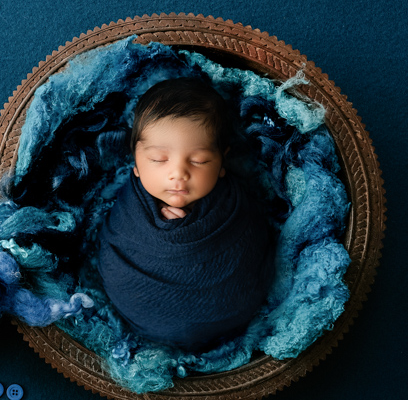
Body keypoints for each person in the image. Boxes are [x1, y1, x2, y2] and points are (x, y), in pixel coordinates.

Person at [96, 77, 275, 353]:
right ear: (136, 162)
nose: (178, 173)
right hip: (143, 308)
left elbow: (255, 240)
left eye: (199, 161)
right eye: (158, 159)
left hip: (227, 309)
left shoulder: (235, 204)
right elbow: (112, 250)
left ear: (221, 162)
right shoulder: (127, 209)